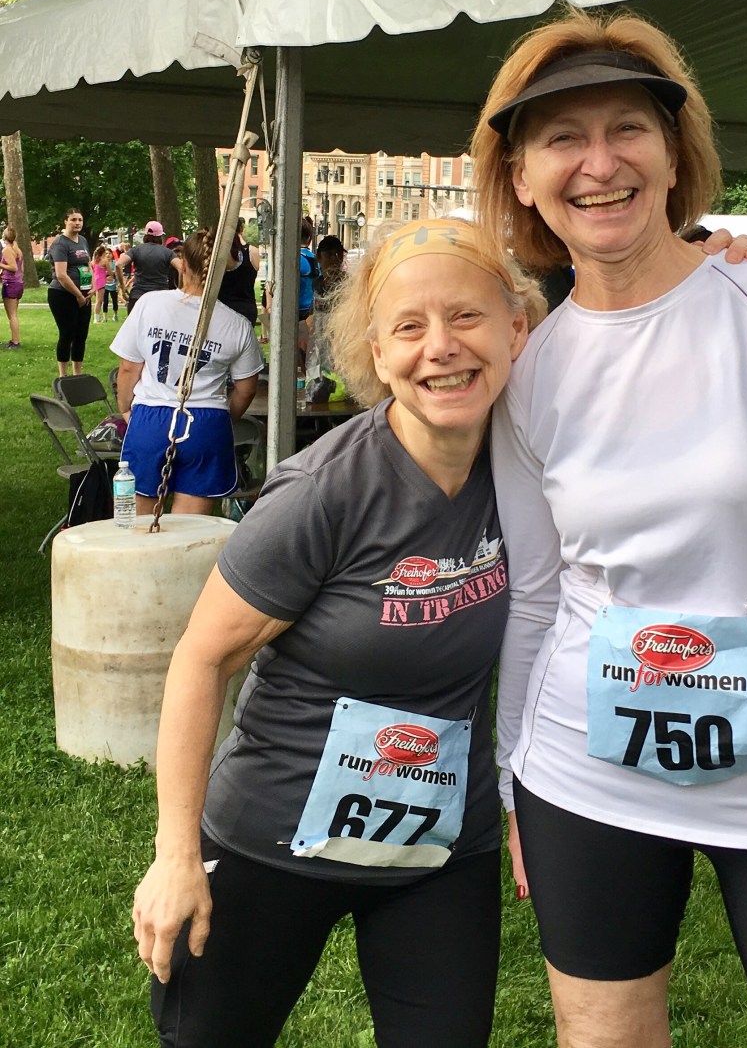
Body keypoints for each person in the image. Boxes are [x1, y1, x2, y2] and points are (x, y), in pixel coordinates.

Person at [473, 8, 747, 1048]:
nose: (599, 164)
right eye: (562, 139)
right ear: (522, 178)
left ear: (675, 156)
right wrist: (512, 783)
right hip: (583, 772)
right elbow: (538, 596)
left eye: (628, 128)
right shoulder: (529, 371)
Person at [130, 218, 544, 1048]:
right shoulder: (323, 491)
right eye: (408, 326)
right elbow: (202, 657)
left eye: (466, 316)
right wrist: (174, 854)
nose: (441, 347)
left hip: (437, 848)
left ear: (516, 329)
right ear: (376, 354)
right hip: (272, 836)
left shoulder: (533, 470)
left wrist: (711, 267)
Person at [111, 230, 263, 517]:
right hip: (206, 423)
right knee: (190, 531)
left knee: (138, 528)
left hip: (151, 418)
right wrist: (223, 418)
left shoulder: (149, 304)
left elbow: (128, 367)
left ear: (182, 263)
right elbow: (246, 389)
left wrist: (125, 409)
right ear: (225, 270)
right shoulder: (238, 324)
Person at [47, 208, 94, 377]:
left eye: (80, 220)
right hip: (62, 294)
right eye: (73, 219)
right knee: (67, 333)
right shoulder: (60, 243)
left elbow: (88, 264)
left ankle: (77, 374)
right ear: (65, 221)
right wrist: (78, 295)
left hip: (84, 294)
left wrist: (92, 286)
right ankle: (63, 375)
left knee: (81, 334)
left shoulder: (83, 241)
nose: (77, 223)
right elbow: (61, 275)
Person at [117, 220, 180, 314]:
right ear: (160, 236)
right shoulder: (167, 252)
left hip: (138, 297)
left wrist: (123, 287)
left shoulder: (135, 250)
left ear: (145, 235)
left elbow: (118, 265)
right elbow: (181, 268)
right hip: (160, 298)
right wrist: (180, 290)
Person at [218, 217, 261, 327]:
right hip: (247, 309)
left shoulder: (221, 253)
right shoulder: (253, 251)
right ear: (241, 228)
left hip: (223, 309)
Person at [1, 224, 24, 349]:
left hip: (10, 284)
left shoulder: (7, 250)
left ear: (4, 237)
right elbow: (21, 269)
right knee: (13, 314)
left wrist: (0, 265)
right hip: (18, 283)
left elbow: (13, 268)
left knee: (12, 315)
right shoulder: (18, 250)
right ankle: (14, 340)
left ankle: (15, 342)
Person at [91, 245, 112, 324]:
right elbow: (110, 272)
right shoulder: (104, 261)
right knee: (99, 301)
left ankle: (97, 317)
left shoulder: (93, 262)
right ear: (103, 253)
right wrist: (112, 274)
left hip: (94, 281)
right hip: (101, 282)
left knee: (97, 300)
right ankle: (96, 319)